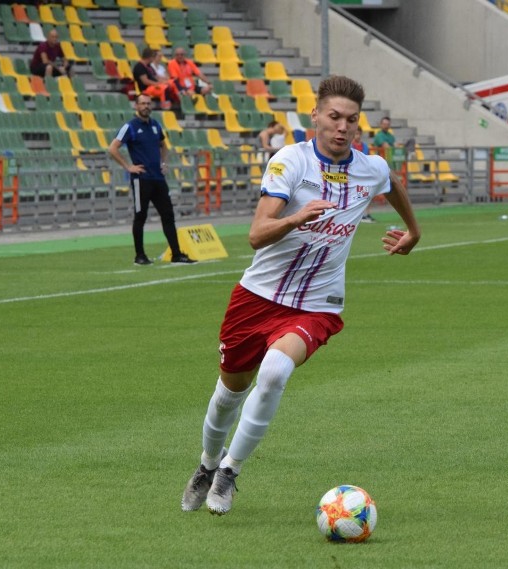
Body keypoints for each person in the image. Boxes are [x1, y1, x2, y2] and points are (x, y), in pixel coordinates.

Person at [180, 75, 421, 516]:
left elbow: (392, 184)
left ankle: (230, 472)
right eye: (334, 117)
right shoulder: (290, 161)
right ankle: (206, 465)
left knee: (273, 373)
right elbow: (256, 235)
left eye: (351, 120)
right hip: (258, 297)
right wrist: (297, 218)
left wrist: (414, 231)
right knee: (228, 394)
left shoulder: (371, 167)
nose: (342, 127)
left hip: (317, 305)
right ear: (316, 115)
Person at [108, 94, 196, 265]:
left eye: (148, 103)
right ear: (136, 106)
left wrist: (164, 162)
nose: (146, 106)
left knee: (168, 215)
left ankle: (176, 253)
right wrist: (128, 166)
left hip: (157, 177)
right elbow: (113, 148)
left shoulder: (155, 125)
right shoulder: (130, 126)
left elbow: (164, 145)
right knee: (140, 216)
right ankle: (139, 255)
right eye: (143, 103)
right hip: (141, 179)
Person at [352, 126, 377, 222]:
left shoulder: (365, 146)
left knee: (368, 193)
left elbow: (368, 159)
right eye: (355, 134)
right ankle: (360, 215)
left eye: (358, 134)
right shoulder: (350, 146)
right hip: (354, 174)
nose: (357, 136)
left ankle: (367, 214)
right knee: (357, 195)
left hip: (364, 174)